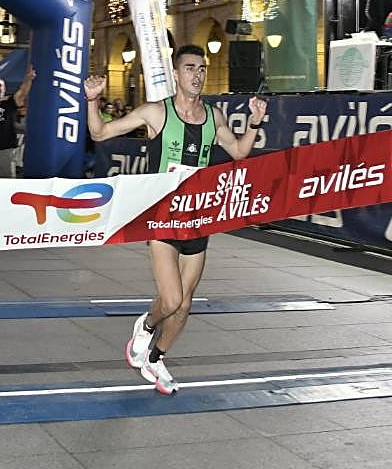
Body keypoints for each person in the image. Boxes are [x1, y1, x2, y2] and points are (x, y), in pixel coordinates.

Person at [85, 44, 266, 395]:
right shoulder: (156, 113)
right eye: (189, 68)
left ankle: (156, 358)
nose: (197, 75)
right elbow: (100, 134)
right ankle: (147, 325)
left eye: (201, 68)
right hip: (163, 219)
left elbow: (241, 152)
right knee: (170, 301)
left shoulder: (214, 117)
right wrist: (92, 101)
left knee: (185, 305)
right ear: (176, 74)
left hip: (198, 219)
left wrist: (256, 120)